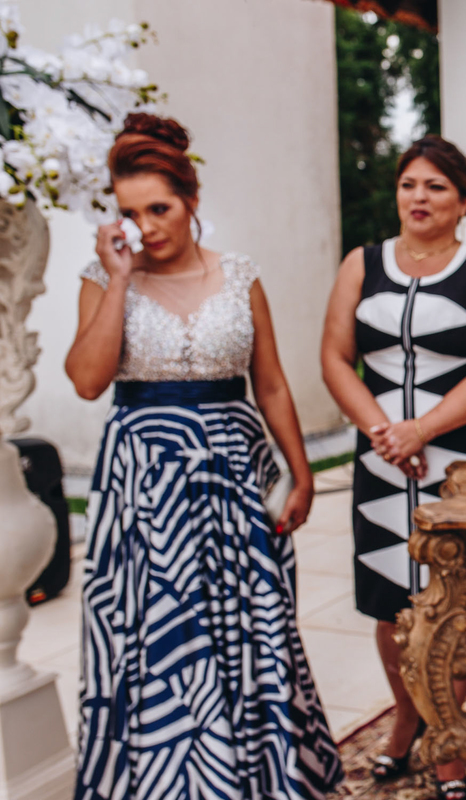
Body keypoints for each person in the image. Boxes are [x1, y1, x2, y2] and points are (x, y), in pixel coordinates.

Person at [66, 113, 343, 799]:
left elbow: (271, 382)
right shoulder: (103, 277)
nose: (147, 226)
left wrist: (300, 474)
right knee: (159, 632)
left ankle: (251, 777)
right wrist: (119, 278)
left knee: (250, 624)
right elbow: (88, 380)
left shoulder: (240, 275)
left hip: (233, 476)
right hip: (145, 485)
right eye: (131, 213)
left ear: (192, 200)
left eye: (159, 208)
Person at [321, 135, 466, 800]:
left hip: (460, 462)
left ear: (464, 201)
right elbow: (333, 356)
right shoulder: (362, 263)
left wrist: (421, 430)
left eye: (436, 186)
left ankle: (449, 744)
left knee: (453, 609)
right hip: (383, 465)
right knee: (390, 607)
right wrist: (382, 433)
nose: (419, 197)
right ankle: (409, 718)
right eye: (410, 184)